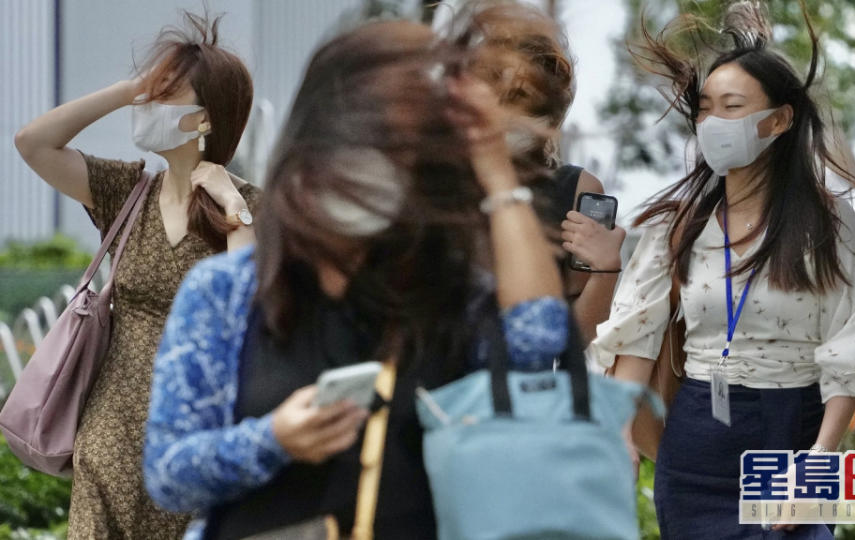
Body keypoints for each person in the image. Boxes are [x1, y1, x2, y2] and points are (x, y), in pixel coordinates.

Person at [143, 19, 570, 539]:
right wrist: (274, 439)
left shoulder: (448, 294)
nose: (375, 164)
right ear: (313, 143)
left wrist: (497, 171)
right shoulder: (228, 290)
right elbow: (168, 476)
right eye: (361, 137)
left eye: (400, 145)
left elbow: (539, 341)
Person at [588, 1, 855, 538]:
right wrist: (620, 436)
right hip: (698, 442)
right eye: (704, 109)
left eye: (731, 107)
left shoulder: (830, 225)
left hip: (792, 433)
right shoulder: (675, 227)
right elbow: (638, 338)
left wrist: (818, 461)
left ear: (779, 120)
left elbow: (848, 350)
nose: (712, 122)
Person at [13, 11, 258, 538]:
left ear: (205, 119)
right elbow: (33, 142)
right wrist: (130, 89)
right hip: (110, 432)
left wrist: (233, 205)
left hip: (194, 432)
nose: (149, 105)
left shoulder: (245, 208)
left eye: (167, 95)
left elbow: (252, 297)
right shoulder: (128, 193)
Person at [459, 0, 626, 342]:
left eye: (520, 98)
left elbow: (574, 339)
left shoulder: (574, 189)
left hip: (522, 386)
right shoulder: (435, 182)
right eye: (493, 92)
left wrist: (604, 272)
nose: (503, 113)